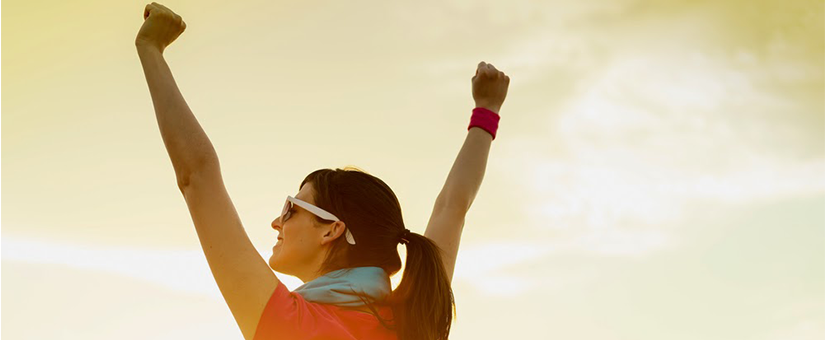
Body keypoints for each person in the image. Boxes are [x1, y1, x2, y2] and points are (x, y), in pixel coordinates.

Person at [135, 3, 510, 340]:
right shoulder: (416, 321)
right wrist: (487, 109)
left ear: (332, 229)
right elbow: (452, 208)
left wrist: (151, 51)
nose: (276, 222)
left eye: (292, 208)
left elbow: (197, 177)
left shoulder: (291, 325)